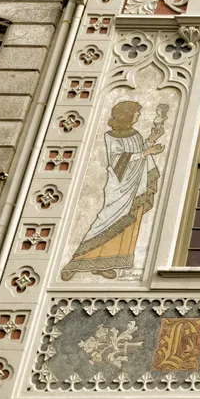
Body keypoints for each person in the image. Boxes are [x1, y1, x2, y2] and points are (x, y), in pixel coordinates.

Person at [60, 100, 166, 279]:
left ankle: (105, 263)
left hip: (136, 185)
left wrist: (151, 141)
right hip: (119, 186)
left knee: (130, 222)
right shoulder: (111, 136)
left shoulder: (136, 134)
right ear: (127, 114)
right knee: (106, 220)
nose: (138, 115)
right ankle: (77, 261)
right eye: (136, 112)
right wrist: (147, 153)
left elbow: (139, 150)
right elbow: (117, 161)